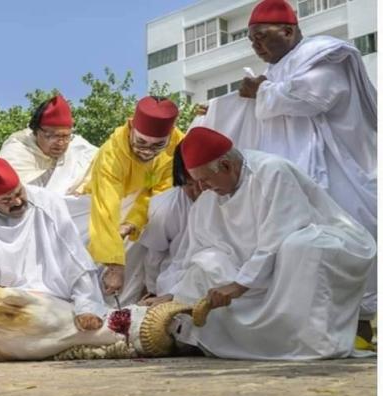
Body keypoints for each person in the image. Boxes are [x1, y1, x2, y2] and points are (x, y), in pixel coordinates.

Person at [168, 127, 375, 360]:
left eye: (204, 180)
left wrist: (239, 284)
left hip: (320, 245)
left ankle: (313, 343)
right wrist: (173, 292)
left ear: (226, 166)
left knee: (301, 247)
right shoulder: (209, 197)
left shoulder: (271, 171)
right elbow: (199, 248)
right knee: (205, 265)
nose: (202, 188)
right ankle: (231, 342)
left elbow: (280, 234)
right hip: (254, 267)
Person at [238, 0, 377, 336]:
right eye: (251, 39)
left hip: (340, 170)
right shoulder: (276, 71)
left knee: (349, 241)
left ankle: (358, 328)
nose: (256, 45)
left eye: (261, 36)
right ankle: (317, 329)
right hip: (300, 175)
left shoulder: (326, 55)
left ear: (287, 30)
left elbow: (313, 97)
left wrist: (263, 92)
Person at [0, 157, 109, 331]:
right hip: (4, 298)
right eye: (6, 200)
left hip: (53, 299)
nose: (17, 202)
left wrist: (87, 307)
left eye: (19, 193)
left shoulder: (47, 202)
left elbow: (74, 257)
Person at [85, 96, 184, 298]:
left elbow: (161, 194)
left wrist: (132, 223)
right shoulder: (111, 154)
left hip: (144, 210)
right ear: (131, 127)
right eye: (141, 142)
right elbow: (105, 208)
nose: (147, 151)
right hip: (102, 207)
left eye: (157, 146)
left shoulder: (178, 146)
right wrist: (114, 266)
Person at [136, 148, 202, 307]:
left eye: (201, 182)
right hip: (174, 279)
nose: (197, 191)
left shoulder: (221, 196)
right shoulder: (165, 207)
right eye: (189, 184)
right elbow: (154, 256)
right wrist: (152, 290)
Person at [0, 94, 97, 195]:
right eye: (52, 136)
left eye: (66, 136)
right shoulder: (16, 152)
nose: (60, 143)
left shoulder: (80, 150)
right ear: (36, 131)